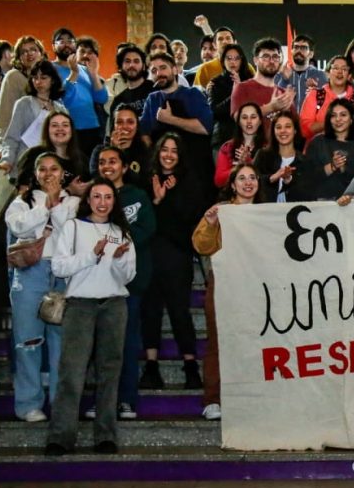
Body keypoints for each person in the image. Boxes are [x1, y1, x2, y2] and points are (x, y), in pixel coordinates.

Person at [45, 179, 136, 456]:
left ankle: (106, 435)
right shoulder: (73, 227)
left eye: (108, 197)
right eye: (97, 196)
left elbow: (128, 276)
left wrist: (117, 259)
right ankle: (60, 437)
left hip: (114, 305)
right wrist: (92, 255)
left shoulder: (122, 232)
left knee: (110, 372)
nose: (102, 202)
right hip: (80, 305)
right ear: (88, 200)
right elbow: (59, 267)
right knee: (71, 372)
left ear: (114, 201)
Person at [4, 153, 79, 423]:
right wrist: (44, 206)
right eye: (43, 169)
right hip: (29, 273)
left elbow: (69, 230)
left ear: (63, 173)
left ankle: (60, 404)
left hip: (62, 274)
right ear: (35, 174)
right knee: (28, 341)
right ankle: (28, 404)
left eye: (54, 169)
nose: (49, 174)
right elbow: (18, 226)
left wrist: (55, 204)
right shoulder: (22, 201)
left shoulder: (74, 202)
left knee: (61, 344)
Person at [192, 162, 269, 421]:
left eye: (252, 177)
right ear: (233, 185)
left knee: (256, 343)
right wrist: (210, 223)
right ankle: (213, 399)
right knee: (218, 342)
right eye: (242, 178)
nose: (248, 182)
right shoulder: (221, 211)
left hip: (256, 285)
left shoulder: (267, 214)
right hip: (224, 283)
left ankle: (252, 399)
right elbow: (201, 245)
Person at [139, 133, 211, 391]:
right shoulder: (146, 180)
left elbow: (191, 217)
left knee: (180, 310)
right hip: (150, 255)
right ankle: (151, 367)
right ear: (157, 152)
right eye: (164, 149)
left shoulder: (190, 181)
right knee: (150, 310)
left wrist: (170, 197)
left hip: (178, 255)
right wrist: (157, 199)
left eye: (174, 151)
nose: (168, 155)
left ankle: (190, 367)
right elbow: (141, 219)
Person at [95, 146, 156, 422]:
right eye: (102, 162)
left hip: (130, 282)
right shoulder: (93, 197)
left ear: (123, 166)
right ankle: (102, 401)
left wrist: (118, 242)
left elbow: (147, 229)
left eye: (113, 161)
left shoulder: (137, 196)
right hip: (96, 282)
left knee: (127, 343)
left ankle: (126, 400)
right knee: (100, 346)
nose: (107, 166)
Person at [140, 51, 214, 180]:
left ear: (174, 70)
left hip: (193, 167)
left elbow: (206, 128)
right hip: (163, 169)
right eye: (154, 70)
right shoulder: (152, 99)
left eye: (163, 68)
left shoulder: (192, 94)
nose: (159, 73)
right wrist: (155, 155)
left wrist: (170, 119)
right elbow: (144, 132)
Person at [0, 60, 68, 179]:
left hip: (51, 167)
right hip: (26, 164)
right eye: (35, 78)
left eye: (43, 78)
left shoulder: (61, 109)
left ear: (53, 80)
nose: (38, 82)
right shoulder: (23, 103)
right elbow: (12, 136)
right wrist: (7, 160)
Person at [49, 28, 109, 157]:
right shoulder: (50, 69)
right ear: (53, 46)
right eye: (61, 41)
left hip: (93, 128)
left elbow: (101, 98)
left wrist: (93, 73)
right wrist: (74, 73)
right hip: (69, 129)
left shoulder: (84, 69)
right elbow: (63, 99)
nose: (66, 44)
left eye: (70, 41)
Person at [304, 99, 354, 201]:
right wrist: (332, 167)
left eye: (343, 115)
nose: (338, 119)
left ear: (352, 118)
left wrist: (343, 169)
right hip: (322, 204)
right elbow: (307, 177)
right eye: (333, 115)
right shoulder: (317, 143)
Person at [14, 112, 89, 198]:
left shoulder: (81, 158)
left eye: (65, 125)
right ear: (47, 130)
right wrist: (68, 191)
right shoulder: (34, 154)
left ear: (72, 130)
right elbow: (23, 192)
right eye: (54, 125)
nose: (60, 129)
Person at [299, 55, 354, 141]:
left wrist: (345, 129)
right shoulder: (315, 96)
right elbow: (304, 129)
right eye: (336, 68)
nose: (340, 72)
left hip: (349, 148)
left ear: (349, 76)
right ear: (327, 74)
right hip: (318, 148)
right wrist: (328, 123)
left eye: (344, 69)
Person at [0, 35, 46, 143]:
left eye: (33, 50)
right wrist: (5, 144)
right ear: (19, 57)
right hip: (21, 141)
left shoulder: (49, 76)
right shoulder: (13, 77)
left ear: (41, 54)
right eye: (24, 52)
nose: (29, 54)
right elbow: (5, 115)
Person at [231, 37, 296, 119]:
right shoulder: (242, 88)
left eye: (275, 57)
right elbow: (239, 118)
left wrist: (287, 112)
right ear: (255, 60)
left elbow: (295, 124)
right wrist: (270, 107)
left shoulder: (283, 94)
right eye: (266, 56)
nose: (271, 61)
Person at [253, 112, 310, 202]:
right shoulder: (262, 155)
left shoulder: (304, 161)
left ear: (295, 131)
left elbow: (308, 195)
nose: (283, 131)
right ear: (273, 131)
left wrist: (288, 181)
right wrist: (273, 178)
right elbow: (252, 181)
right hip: (265, 210)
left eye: (288, 126)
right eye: (278, 127)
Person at [215, 102, 270, 188]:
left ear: (260, 121)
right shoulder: (228, 147)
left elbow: (270, 178)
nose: (249, 121)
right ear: (239, 122)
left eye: (253, 117)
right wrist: (239, 166)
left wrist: (249, 162)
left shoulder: (268, 147)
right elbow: (219, 180)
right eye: (244, 117)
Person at [206, 43, 249, 149]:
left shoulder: (250, 81)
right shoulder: (215, 82)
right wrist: (236, 92)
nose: (232, 62)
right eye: (229, 58)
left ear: (242, 60)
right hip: (222, 137)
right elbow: (214, 111)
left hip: (247, 136)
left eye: (237, 58)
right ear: (223, 61)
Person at [275, 33, 327, 110]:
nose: (299, 50)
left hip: (311, 117)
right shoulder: (280, 75)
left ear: (311, 54)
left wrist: (317, 91)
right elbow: (275, 103)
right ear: (291, 51)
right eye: (296, 47)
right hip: (288, 117)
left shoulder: (320, 75)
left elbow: (326, 104)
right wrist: (284, 80)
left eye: (303, 48)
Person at [106, 45, 154, 125]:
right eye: (127, 61)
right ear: (121, 67)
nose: (131, 65)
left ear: (143, 66)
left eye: (136, 61)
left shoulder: (155, 89)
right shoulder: (118, 101)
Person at [193, 25, 245, 89]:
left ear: (235, 42)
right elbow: (195, 93)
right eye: (220, 39)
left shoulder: (247, 67)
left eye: (228, 38)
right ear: (214, 45)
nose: (225, 42)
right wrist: (208, 92)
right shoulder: (204, 69)